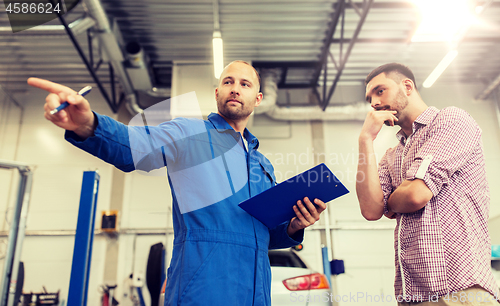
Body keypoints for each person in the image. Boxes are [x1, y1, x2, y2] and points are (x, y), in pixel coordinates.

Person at [28, 60, 327, 305]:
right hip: (201, 289)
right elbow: (134, 145)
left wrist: (294, 225)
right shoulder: (188, 133)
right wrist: (87, 124)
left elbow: (264, 234)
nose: (235, 89)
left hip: (255, 292)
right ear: (217, 92)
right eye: (228, 82)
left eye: (244, 84)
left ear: (258, 99)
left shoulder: (262, 164)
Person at [356, 63, 499, 305]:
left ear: (407, 86)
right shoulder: (391, 155)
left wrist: (390, 201)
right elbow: (371, 210)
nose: (374, 103)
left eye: (380, 91)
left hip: (460, 289)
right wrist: (365, 139)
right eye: (370, 98)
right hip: (413, 294)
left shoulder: (451, 121)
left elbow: (414, 196)